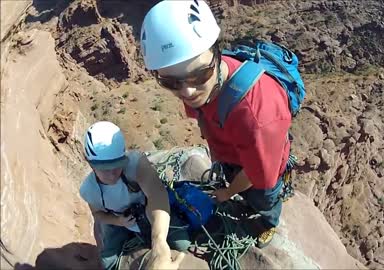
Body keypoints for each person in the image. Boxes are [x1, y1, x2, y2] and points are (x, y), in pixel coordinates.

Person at [140, 0, 292, 248]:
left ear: (217, 52)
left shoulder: (258, 116)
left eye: (199, 74)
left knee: (264, 197)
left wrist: (227, 193)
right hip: (236, 154)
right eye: (170, 82)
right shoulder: (208, 83)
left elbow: (258, 175)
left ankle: (269, 223)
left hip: (261, 162)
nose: (187, 91)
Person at [79, 121, 188, 269]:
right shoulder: (89, 189)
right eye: (105, 169)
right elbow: (97, 214)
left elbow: (158, 197)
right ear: (90, 163)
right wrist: (118, 221)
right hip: (120, 220)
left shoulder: (136, 164)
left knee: (182, 244)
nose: (112, 174)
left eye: (117, 166)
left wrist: (159, 242)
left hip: (148, 211)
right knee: (108, 263)